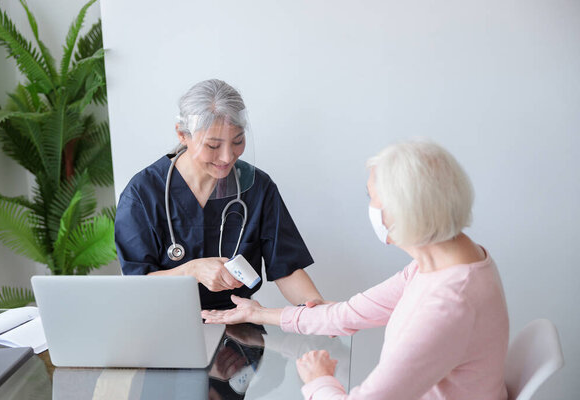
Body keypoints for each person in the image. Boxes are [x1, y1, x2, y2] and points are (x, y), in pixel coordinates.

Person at [202, 140, 510, 400]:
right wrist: (258, 314)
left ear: (400, 213)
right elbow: (346, 314)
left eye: (371, 198)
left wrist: (318, 380)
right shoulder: (443, 264)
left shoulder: (449, 304)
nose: (370, 209)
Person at [115, 79, 324, 310]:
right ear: (182, 135)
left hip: (238, 321)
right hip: (166, 320)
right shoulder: (142, 194)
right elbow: (137, 284)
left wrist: (318, 310)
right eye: (213, 146)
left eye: (237, 141)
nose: (227, 157)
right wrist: (191, 271)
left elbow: (287, 268)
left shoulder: (257, 187)